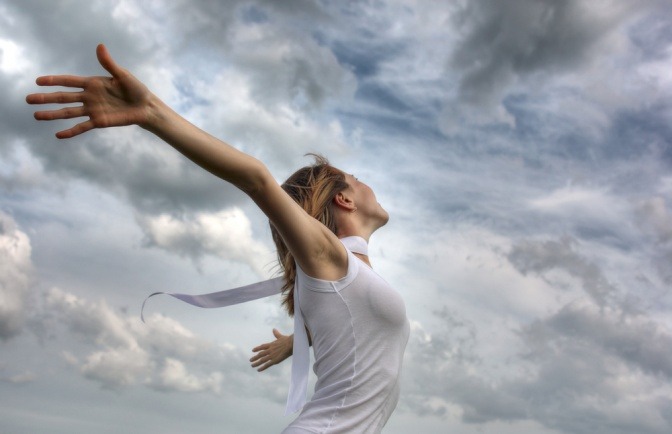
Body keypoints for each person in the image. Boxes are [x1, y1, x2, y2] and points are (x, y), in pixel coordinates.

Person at [27, 44, 409, 433]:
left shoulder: (340, 274)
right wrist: (152, 114)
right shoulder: (331, 260)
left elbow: (348, 319)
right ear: (344, 199)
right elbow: (256, 178)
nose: (366, 183)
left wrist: (297, 341)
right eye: (357, 178)